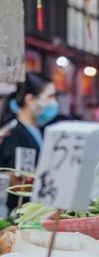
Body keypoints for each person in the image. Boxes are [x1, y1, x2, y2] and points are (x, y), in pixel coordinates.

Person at [0, 73, 58, 211]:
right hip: (19, 212)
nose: (54, 103)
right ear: (30, 99)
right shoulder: (13, 134)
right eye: (50, 96)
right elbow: (17, 179)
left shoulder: (39, 130)